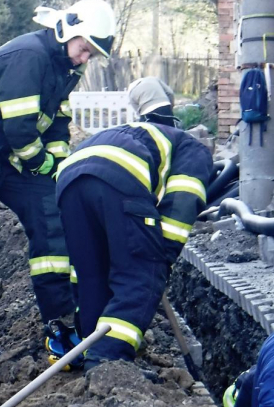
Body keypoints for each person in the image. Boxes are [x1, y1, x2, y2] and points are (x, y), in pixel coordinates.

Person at [0, 0, 116, 379]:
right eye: (84, 50)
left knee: (53, 215)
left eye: (91, 55)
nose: (84, 60)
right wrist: (45, 164)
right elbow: (20, 130)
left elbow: (58, 123)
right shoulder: (28, 55)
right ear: (68, 32)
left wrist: (60, 168)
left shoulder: (64, 67)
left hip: (5, 157)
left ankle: (60, 328)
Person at [54, 77, 213, 366]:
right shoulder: (191, 147)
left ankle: (91, 346)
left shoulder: (129, 133)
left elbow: (84, 272)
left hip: (68, 180)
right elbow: (183, 201)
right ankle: (107, 360)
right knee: (140, 276)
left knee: (92, 277)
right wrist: (160, 258)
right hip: (118, 175)